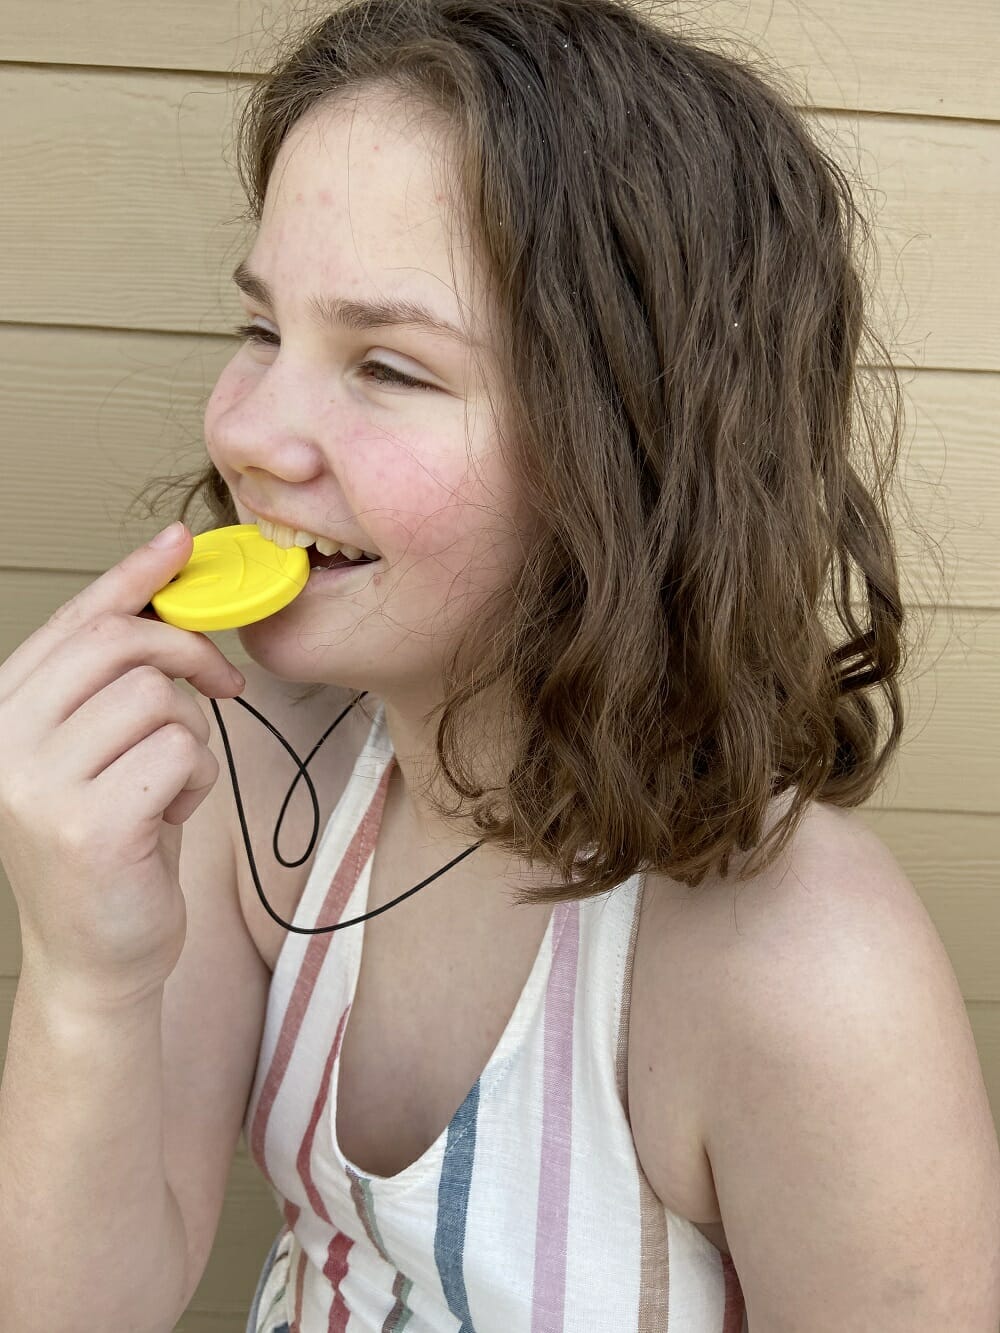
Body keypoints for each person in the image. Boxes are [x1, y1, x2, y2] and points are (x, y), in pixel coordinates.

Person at [2, 0, 998, 1329]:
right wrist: (86, 971)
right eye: (262, 332)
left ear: (632, 455)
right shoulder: (255, 764)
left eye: (388, 366)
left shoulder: (797, 965)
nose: (251, 436)